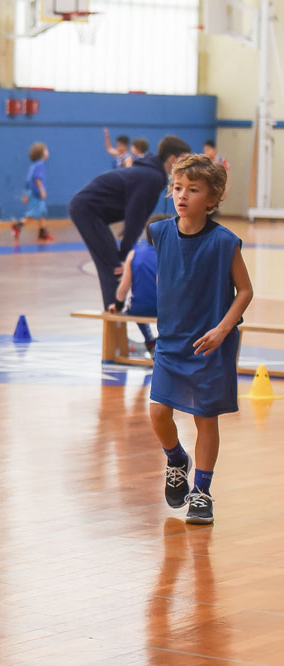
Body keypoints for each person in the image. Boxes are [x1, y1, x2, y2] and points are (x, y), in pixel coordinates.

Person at [148, 154, 251, 526]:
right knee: (158, 412)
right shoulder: (160, 233)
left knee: (205, 419)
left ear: (212, 198)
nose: (182, 195)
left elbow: (245, 291)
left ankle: (202, 492)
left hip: (211, 343)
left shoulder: (225, 242)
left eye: (193, 189)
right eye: (177, 188)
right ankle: (177, 460)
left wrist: (222, 328)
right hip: (171, 343)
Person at [70, 135, 192, 310]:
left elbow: (134, 215)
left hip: (91, 211)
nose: (186, 166)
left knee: (114, 268)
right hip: (86, 210)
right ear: (173, 159)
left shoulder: (151, 173)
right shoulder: (151, 177)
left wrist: (124, 253)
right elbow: (136, 216)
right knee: (114, 270)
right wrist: (125, 254)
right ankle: (113, 326)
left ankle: (115, 324)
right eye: (184, 160)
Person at [108, 215, 168, 356]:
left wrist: (117, 306)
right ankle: (164, 341)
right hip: (166, 311)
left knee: (134, 305)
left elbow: (123, 288)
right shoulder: (173, 253)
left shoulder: (134, 253)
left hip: (139, 309)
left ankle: (150, 341)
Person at [12, 142, 54, 243]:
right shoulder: (40, 165)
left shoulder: (33, 166)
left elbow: (28, 181)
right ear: (42, 153)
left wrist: (26, 195)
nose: (48, 151)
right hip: (37, 193)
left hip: (32, 192)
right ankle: (18, 226)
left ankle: (42, 233)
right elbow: (37, 179)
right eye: (46, 150)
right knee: (33, 214)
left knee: (42, 212)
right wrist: (42, 190)